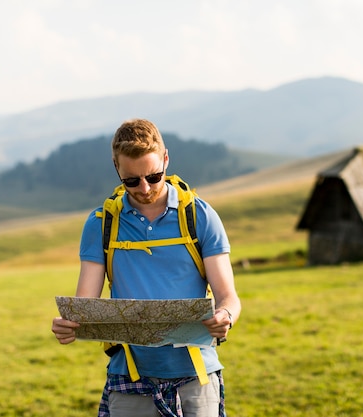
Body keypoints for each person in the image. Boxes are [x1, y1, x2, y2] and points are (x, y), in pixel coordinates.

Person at [52, 118, 241, 417]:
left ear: (166, 158)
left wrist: (225, 316)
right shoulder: (102, 223)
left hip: (196, 375)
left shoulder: (201, 216)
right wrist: (69, 325)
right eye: (132, 180)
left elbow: (228, 296)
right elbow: (85, 305)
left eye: (154, 176)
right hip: (129, 375)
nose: (144, 188)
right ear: (116, 166)